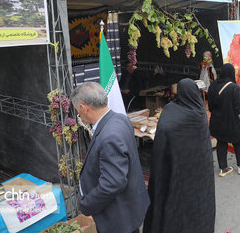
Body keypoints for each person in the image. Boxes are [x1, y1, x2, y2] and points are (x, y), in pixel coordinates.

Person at [70, 82, 149, 233]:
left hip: (118, 217)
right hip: (128, 207)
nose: (79, 116)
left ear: (84, 108)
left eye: (78, 111)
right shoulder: (120, 118)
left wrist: (86, 204)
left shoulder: (109, 136)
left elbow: (112, 183)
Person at [143, 79, 215, 233]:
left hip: (173, 168)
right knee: (195, 203)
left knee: (172, 200)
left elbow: (162, 138)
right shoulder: (200, 111)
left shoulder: (170, 110)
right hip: (198, 172)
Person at [208, 64, 240, 177]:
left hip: (217, 121)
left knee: (221, 142)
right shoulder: (234, 88)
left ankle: (223, 169)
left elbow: (210, 106)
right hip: (232, 122)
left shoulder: (213, 85)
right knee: (238, 141)